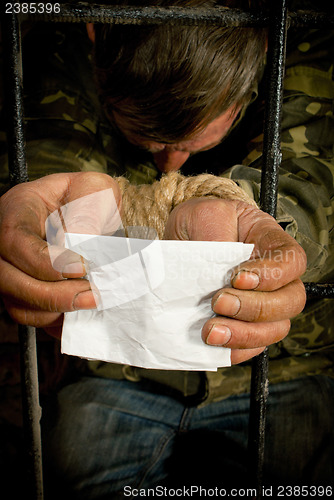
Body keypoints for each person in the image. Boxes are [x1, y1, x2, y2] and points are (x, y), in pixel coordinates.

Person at [0, 0, 333, 497]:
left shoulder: (309, 29)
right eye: (148, 137)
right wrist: (39, 221)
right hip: (121, 367)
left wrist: (265, 233)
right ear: (94, 31)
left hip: (283, 364)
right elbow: (52, 153)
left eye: (195, 137)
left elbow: (314, 182)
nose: (170, 163)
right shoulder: (59, 29)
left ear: (265, 42)